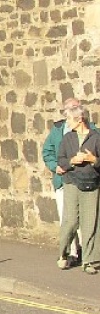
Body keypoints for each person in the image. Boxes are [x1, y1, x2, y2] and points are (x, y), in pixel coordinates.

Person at [56, 105, 100, 273]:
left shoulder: (96, 137)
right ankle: (64, 254)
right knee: (71, 221)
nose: (67, 123)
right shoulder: (68, 138)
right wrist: (72, 162)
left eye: (69, 119)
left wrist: (92, 159)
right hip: (72, 181)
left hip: (91, 183)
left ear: (79, 119)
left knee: (90, 224)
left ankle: (88, 262)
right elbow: (61, 160)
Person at [44, 97, 86, 266]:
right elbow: (47, 151)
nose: (71, 112)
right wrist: (55, 166)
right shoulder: (57, 130)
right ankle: (70, 252)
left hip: (83, 181)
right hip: (62, 180)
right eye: (68, 110)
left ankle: (87, 253)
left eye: (75, 108)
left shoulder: (91, 129)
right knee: (66, 219)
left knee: (85, 219)